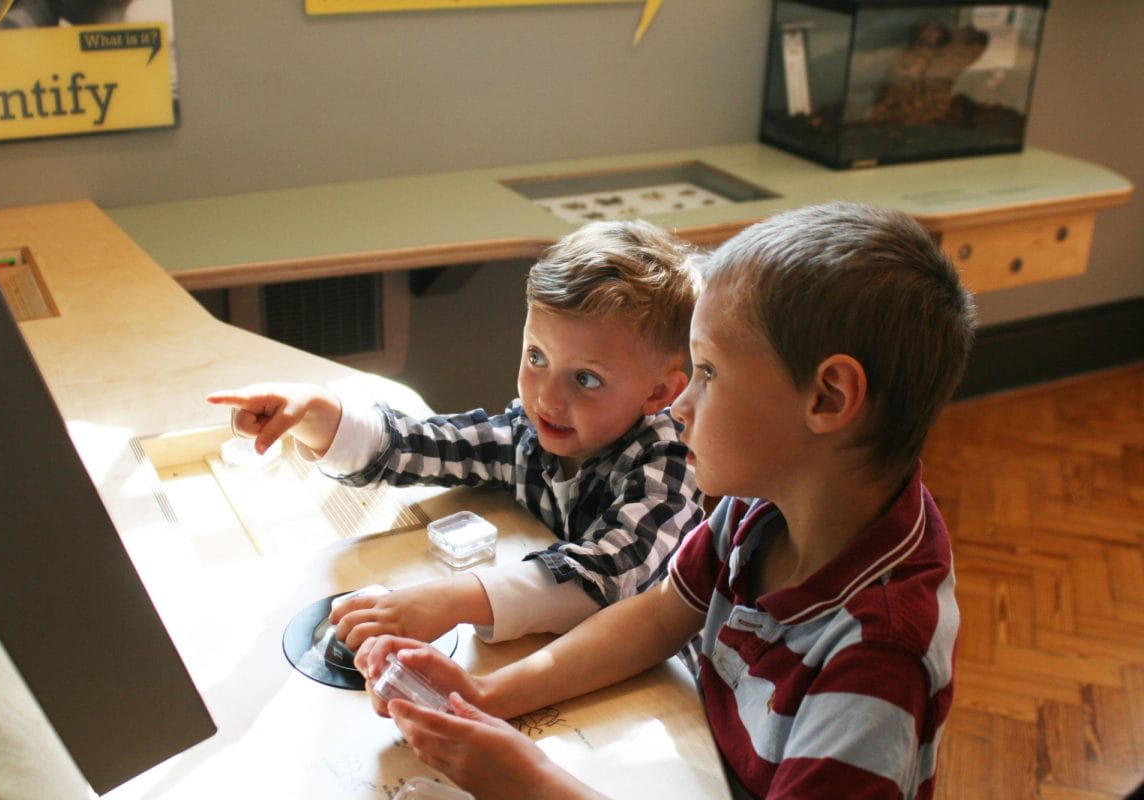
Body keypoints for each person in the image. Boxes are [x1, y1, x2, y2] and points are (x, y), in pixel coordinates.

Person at [354, 202, 977, 800]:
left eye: (706, 372)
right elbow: (657, 617)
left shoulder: (877, 659)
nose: (679, 407)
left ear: (829, 398)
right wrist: (487, 695)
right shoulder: (760, 506)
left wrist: (530, 785)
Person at [207, 219, 704, 652]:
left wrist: (448, 600)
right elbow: (423, 444)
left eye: (586, 379)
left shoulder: (671, 460)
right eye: (537, 358)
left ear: (659, 392)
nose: (547, 399)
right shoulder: (530, 434)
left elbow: (609, 574)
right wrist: (316, 412)